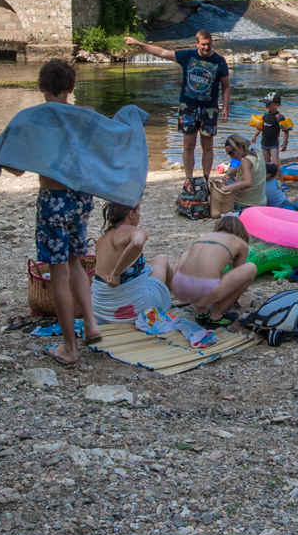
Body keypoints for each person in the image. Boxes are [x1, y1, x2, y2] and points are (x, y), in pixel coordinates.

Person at [17, 60, 97, 367]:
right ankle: (90, 322)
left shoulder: (34, 120)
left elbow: (16, 166)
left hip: (53, 199)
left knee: (58, 272)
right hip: (81, 198)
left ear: (40, 87)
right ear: (72, 87)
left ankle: (69, 348)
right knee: (76, 260)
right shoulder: (87, 116)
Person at [128, 29, 231, 195]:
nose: (206, 48)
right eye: (203, 45)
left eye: (209, 44)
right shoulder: (187, 56)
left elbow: (226, 86)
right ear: (197, 43)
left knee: (207, 145)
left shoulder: (219, 61)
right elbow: (162, 52)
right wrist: (139, 44)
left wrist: (225, 107)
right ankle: (189, 180)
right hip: (188, 107)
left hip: (209, 109)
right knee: (188, 144)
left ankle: (205, 180)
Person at [162, 212, 258, 323]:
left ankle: (202, 311)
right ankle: (216, 315)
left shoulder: (205, 237)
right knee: (250, 268)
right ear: (241, 231)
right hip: (202, 287)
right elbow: (236, 275)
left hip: (178, 288)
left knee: (188, 254)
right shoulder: (239, 243)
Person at [89, 200, 173, 324]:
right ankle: (182, 292)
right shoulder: (136, 232)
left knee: (145, 271)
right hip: (134, 311)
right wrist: (116, 273)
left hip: (100, 312)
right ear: (130, 214)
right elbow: (137, 242)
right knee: (161, 259)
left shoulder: (101, 239)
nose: (139, 215)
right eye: (138, 211)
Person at [209, 134, 266, 213]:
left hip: (245, 204)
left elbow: (248, 182)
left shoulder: (246, 161)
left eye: (231, 153)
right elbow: (246, 168)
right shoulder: (258, 153)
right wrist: (228, 174)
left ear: (239, 147)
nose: (231, 157)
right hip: (261, 203)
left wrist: (225, 189)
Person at [257, 92, 289, 170]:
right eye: (265, 104)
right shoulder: (264, 116)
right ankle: (269, 180)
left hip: (273, 144)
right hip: (264, 143)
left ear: (276, 105)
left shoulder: (279, 117)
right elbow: (259, 127)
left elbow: (286, 130)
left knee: (275, 164)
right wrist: (254, 136)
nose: (266, 106)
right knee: (266, 163)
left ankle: (280, 181)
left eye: (268, 104)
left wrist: (285, 142)